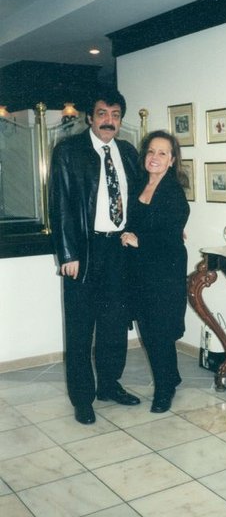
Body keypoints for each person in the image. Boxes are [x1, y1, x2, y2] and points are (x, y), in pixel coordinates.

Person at [49, 87, 141, 425]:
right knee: (80, 328)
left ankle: (109, 385)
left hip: (119, 251)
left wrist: (146, 230)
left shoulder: (128, 152)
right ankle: (83, 399)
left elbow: (139, 198)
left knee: (114, 325)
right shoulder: (68, 151)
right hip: (84, 252)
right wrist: (67, 253)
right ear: (90, 117)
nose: (109, 121)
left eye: (115, 115)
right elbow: (59, 205)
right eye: (102, 114)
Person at [122, 130, 190, 414]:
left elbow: (172, 235)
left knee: (159, 330)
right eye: (151, 151)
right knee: (148, 328)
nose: (155, 157)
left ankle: (165, 389)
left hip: (164, 271)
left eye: (162, 153)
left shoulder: (173, 192)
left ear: (172, 160)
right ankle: (171, 376)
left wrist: (140, 240)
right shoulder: (139, 184)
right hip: (139, 270)